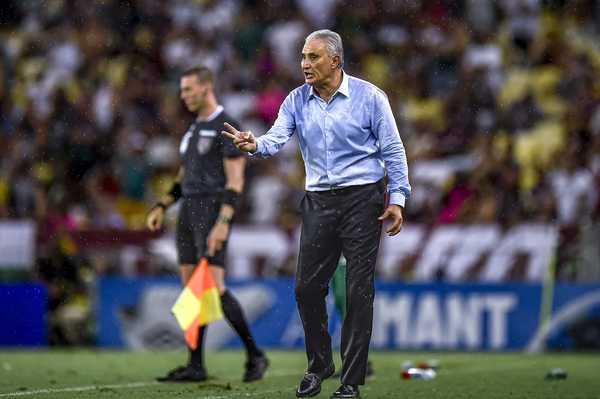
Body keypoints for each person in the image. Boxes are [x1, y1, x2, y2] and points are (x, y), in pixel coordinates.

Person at [223, 30, 410, 398]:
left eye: (313, 57)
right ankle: (320, 364)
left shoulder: (370, 97)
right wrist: (255, 143)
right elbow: (277, 137)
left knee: (358, 291)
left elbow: (393, 148)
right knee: (307, 288)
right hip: (319, 200)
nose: (305, 65)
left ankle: (351, 381)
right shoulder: (295, 100)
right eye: (303, 58)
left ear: (335, 61)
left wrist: (398, 197)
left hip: (363, 200)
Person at [146, 66, 268, 383]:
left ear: (206, 87)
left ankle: (256, 355)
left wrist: (223, 222)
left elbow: (236, 180)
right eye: (182, 90)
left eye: (188, 89)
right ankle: (195, 365)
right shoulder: (193, 128)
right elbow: (185, 173)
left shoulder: (227, 126)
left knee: (213, 285)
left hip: (212, 209)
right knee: (192, 290)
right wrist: (163, 204)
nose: (183, 95)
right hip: (188, 211)